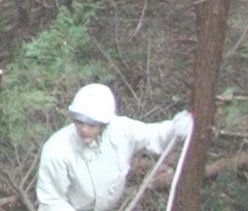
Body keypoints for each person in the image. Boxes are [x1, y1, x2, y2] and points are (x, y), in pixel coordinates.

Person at [36, 83, 193, 211]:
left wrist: (175, 128)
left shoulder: (121, 131)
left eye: (91, 124)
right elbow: (51, 201)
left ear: (104, 124)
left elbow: (152, 135)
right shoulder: (57, 150)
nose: (84, 129)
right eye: (79, 122)